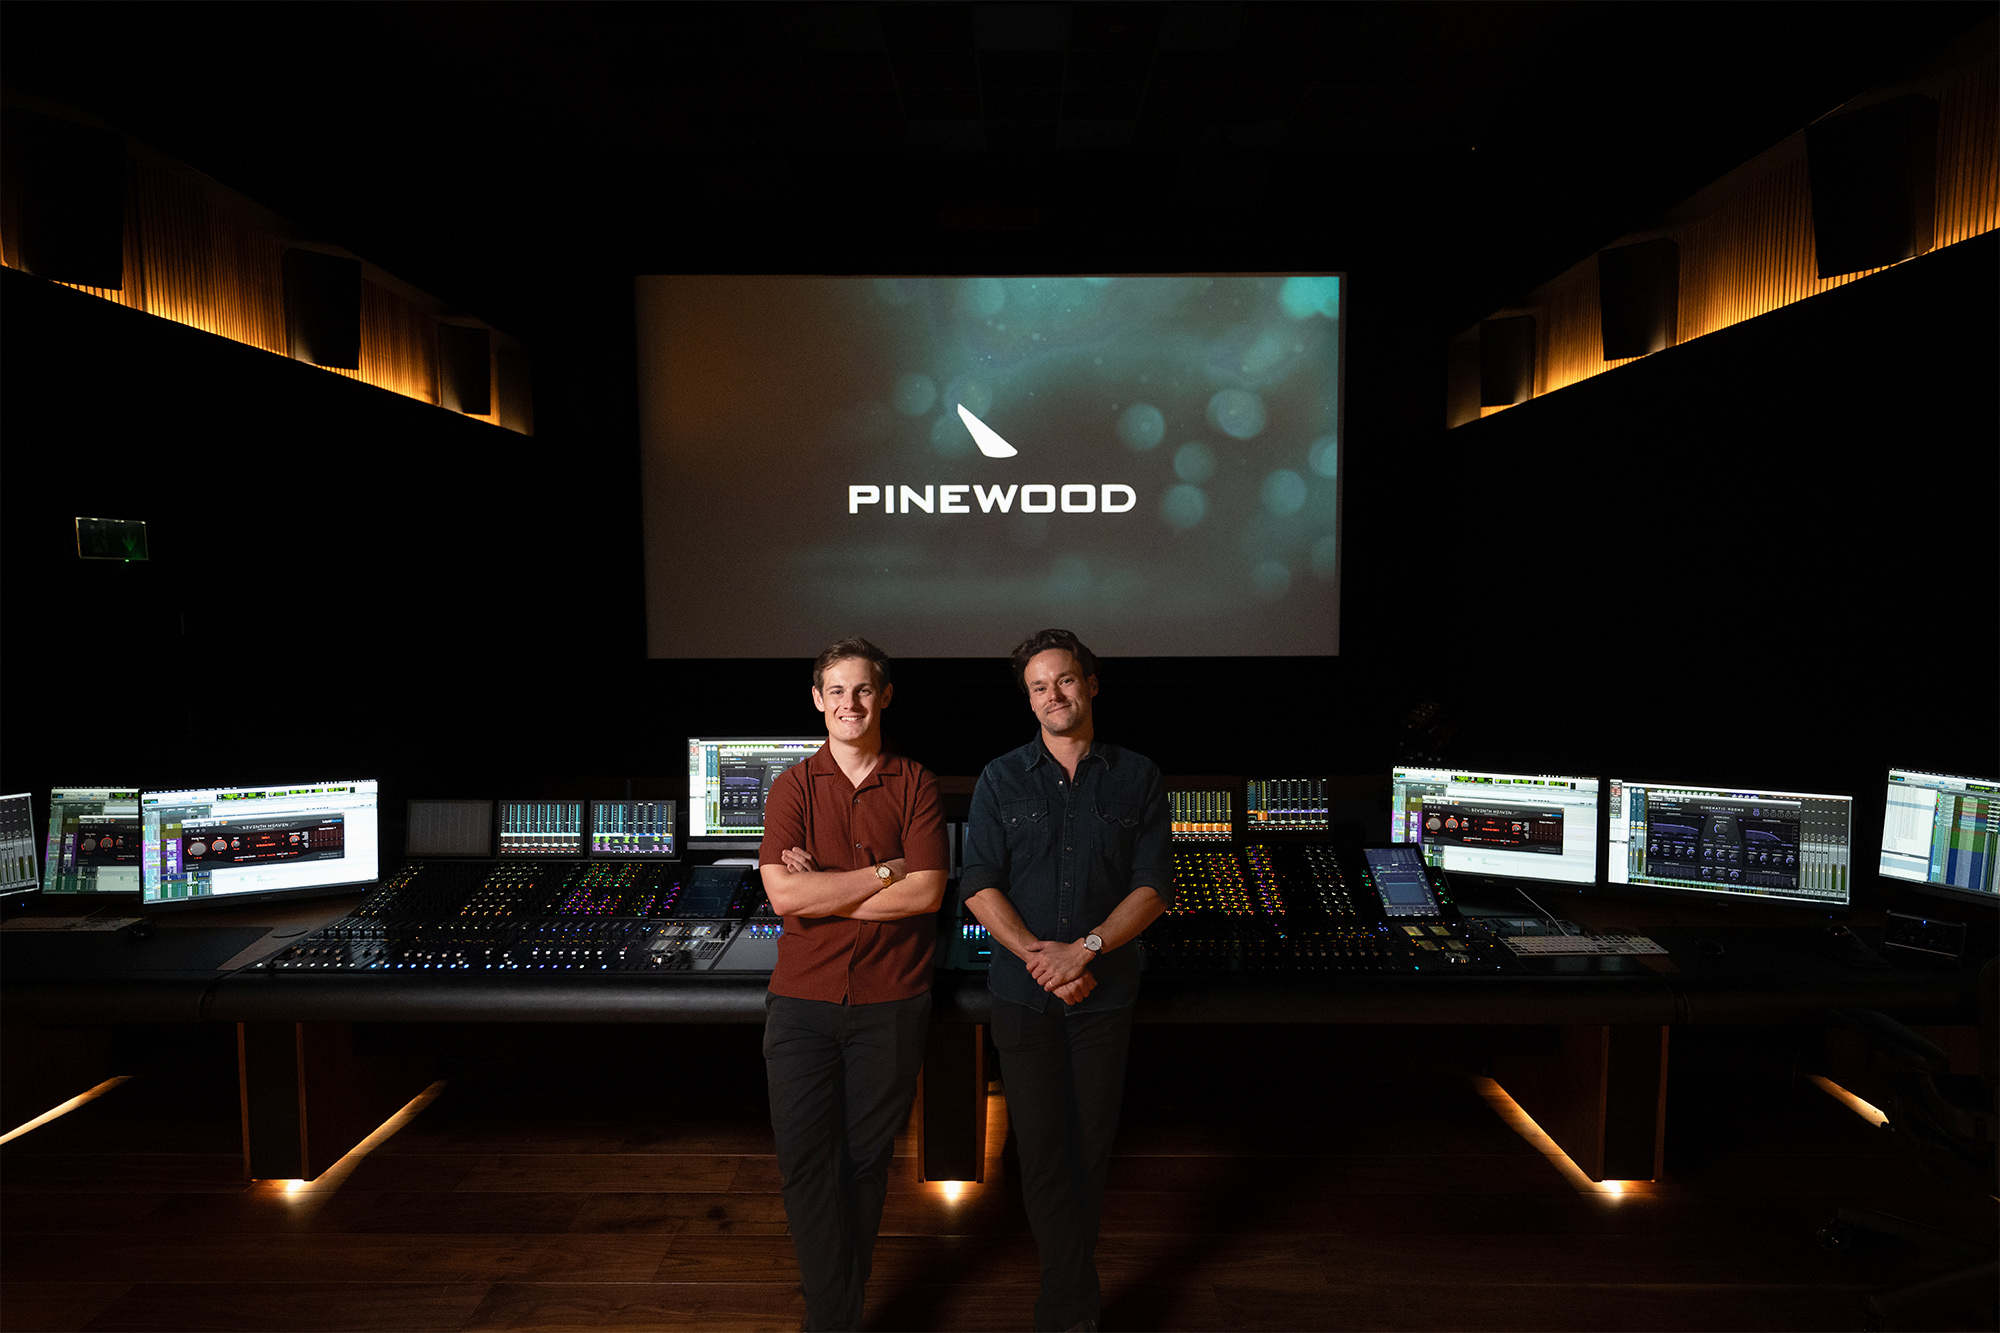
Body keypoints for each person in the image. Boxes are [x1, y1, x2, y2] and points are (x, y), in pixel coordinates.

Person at [959, 628, 1172, 1333]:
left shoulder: (1138, 775)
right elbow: (979, 883)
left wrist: (1085, 950)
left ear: (1091, 684)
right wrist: (1040, 958)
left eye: (1066, 679)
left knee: (1089, 1149)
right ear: (1029, 700)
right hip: (1025, 996)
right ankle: (1070, 1303)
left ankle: (1066, 1299)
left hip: (1104, 995)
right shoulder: (1000, 778)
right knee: (1043, 1152)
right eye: (1039, 686)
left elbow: (1153, 888)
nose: (1054, 694)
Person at [757, 636, 949, 1332]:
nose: (850, 703)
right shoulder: (792, 786)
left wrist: (827, 889)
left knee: (864, 1163)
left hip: (891, 999)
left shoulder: (917, 782)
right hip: (801, 1000)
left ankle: (832, 1315)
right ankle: (835, 1317)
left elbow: (927, 894)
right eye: (836, 690)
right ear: (818, 699)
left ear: (884, 695)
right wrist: (887, 870)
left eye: (863, 689)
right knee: (806, 1164)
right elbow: (784, 896)